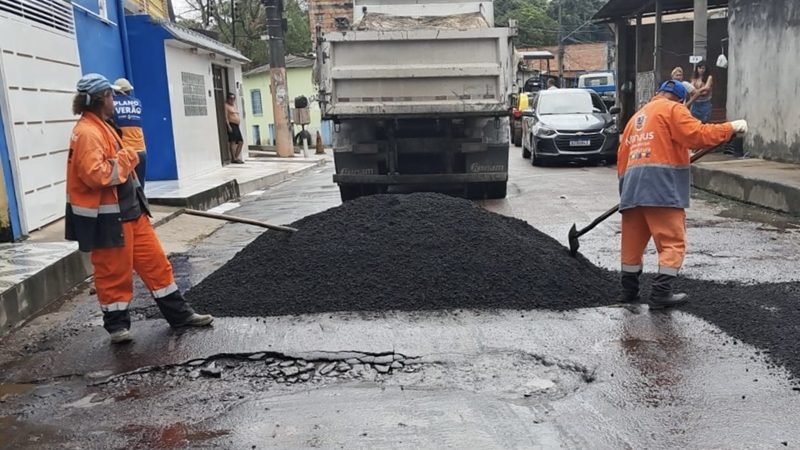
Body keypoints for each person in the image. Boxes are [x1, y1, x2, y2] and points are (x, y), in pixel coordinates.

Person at [66, 73, 213, 344]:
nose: (115, 101)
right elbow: (96, 175)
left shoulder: (104, 125)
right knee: (113, 273)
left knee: (158, 266)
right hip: (111, 218)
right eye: (111, 96)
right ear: (100, 100)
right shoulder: (87, 132)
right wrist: (127, 157)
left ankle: (181, 315)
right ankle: (117, 327)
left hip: (132, 213)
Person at [616, 80, 747, 309]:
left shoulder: (636, 118)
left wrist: (624, 192)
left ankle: (628, 292)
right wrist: (730, 128)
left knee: (632, 243)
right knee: (672, 242)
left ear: (659, 93)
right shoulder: (673, 109)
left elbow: (621, 158)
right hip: (661, 188)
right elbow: (697, 135)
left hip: (631, 190)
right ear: (681, 99)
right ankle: (660, 294)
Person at [112, 78, 147, 189]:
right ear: (128, 91)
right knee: (140, 188)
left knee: (126, 190)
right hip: (140, 151)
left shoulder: (111, 104)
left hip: (124, 153)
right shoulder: (137, 103)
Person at [225, 93, 244, 164]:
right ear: (228, 99)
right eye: (231, 98)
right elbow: (226, 117)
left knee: (240, 142)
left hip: (237, 125)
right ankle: (234, 158)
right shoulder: (226, 106)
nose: (232, 100)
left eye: (233, 98)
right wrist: (228, 126)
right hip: (231, 125)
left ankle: (236, 157)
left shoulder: (234, 105)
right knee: (232, 142)